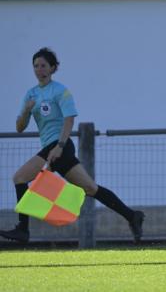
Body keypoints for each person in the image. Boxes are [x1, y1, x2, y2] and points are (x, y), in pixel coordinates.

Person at [0, 47, 145, 244]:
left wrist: (59, 146)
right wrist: (26, 110)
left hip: (60, 146)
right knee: (90, 188)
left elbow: (69, 119)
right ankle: (132, 216)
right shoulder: (30, 94)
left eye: (43, 65)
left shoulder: (60, 91)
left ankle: (23, 229)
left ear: (52, 68)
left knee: (19, 177)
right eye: (35, 66)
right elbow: (19, 127)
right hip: (51, 147)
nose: (39, 69)